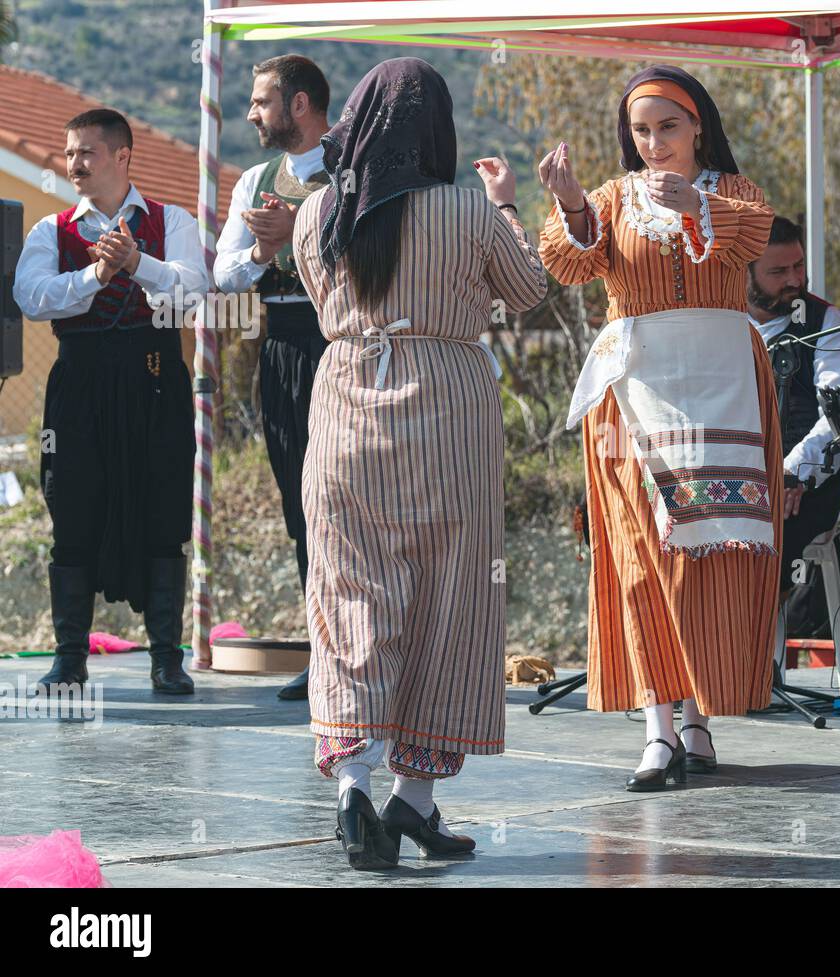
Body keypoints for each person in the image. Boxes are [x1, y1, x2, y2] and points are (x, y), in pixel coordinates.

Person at [291, 58, 548, 869]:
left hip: (343, 412)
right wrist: (508, 210)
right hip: (447, 414)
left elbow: (319, 295)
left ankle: (357, 789)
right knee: (450, 598)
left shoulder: (314, 214)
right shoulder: (467, 212)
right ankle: (419, 796)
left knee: (350, 595)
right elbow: (531, 289)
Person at [538, 65, 779, 789]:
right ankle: (658, 725)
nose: (654, 143)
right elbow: (572, 266)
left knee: (710, 557)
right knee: (640, 557)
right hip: (634, 396)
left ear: (698, 125)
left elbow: (752, 243)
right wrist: (573, 202)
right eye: (641, 131)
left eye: (668, 126)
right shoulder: (612, 199)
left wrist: (697, 210)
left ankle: (700, 711)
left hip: (724, 390)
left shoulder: (735, 194)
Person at [14, 109, 207, 695]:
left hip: (153, 377)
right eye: (70, 153)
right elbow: (33, 296)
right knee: (71, 509)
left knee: (162, 509)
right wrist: (95, 277)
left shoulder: (171, 220)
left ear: (122, 156)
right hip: (80, 381)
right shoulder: (52, 230)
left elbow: (193, 287)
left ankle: (166, 659)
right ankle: (70, 658)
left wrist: (134, 262)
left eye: (87, 153)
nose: (74, 164)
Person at [214, 54, 332, 701]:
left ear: (299, 105)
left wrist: (298, 235)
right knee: (299, 504)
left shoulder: (353, 171)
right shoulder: (255, 180)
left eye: (262, 102)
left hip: (340, 343)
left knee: (346, 504)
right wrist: (263, 249)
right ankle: (323, 651)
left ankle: (362, 652)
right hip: (281, 348)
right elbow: (223, 273)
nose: (252, 114)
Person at [747, 215, 840, 599]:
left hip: (804, 490)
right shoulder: (717, 324)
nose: (795, 280)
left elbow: (839, 414)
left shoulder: (829, 325)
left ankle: (761, 654)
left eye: (799, 266)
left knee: (763, 540)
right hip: (733, 481)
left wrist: (791, 474)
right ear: (741, 274)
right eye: (778, 271)